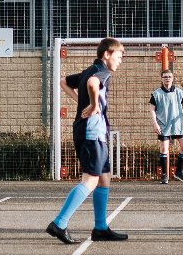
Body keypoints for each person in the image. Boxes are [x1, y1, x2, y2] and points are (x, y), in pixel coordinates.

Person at [46, 38, 129, 244]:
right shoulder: (101, 71)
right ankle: (60, 223)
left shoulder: (87, 70)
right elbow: (93, 84)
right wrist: (92, 105)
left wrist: (80, 100)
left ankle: (100, 227)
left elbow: (63, 82)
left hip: (91, 131)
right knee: (91, 179)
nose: (120, 61)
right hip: (92, 132)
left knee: (104, 177)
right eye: (119, 57)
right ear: (106, 55)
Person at [149, 69, 183, 184]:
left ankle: (179, 172)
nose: (167, 78)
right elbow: (152, 110)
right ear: (161, 79)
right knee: (164, 149)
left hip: (177, 124)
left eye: (169, 77)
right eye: (165, 77)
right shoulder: (156, 94)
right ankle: (164, 174)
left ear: (172, 78)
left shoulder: (179, 92)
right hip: (163, 124)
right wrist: (155, 123)